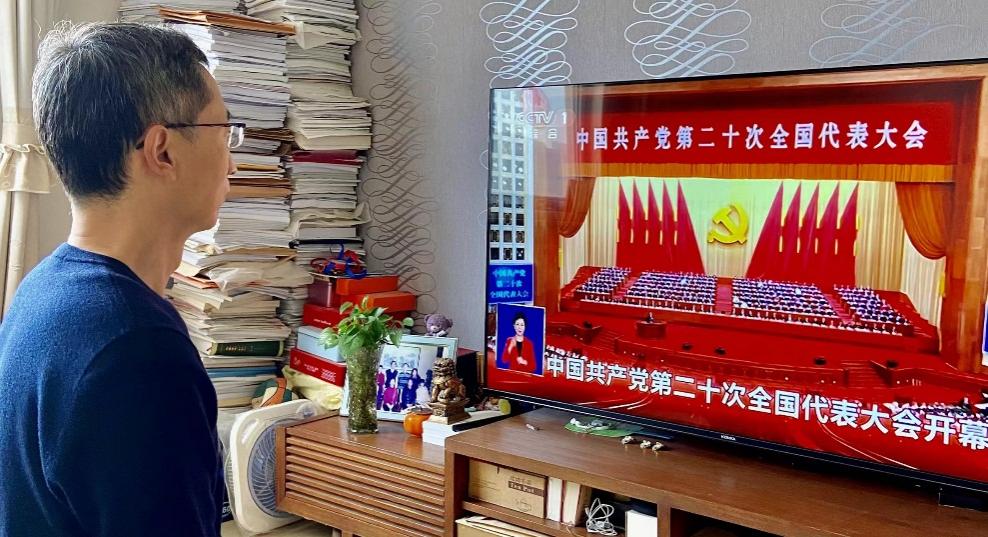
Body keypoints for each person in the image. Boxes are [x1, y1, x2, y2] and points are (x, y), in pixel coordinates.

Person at [0, 23, 236, 536]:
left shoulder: (42, 291)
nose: (233, 162)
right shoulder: (137, 348)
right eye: (224, 132)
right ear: (162, 150)